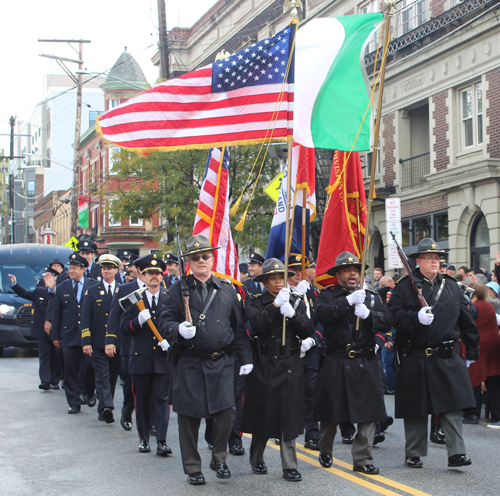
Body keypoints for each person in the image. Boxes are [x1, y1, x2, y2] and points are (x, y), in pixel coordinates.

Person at [159, 235, 253, 485]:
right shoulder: (177, 290)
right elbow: (163, 320)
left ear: (213, 259)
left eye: (205, 256)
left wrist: (246, 358)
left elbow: (239, 327)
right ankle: (193, 468)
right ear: (188, 261)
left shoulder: (227, 289)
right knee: (189, 418)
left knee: (227, 411)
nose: (200, 260)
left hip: (221, 362)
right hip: (190, 361)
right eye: (195, 257)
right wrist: (178, 328)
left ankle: (219, 458)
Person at [387, 238, 480, 469]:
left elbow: (466, 319)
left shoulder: (450, 285)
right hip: (416, 354)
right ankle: (414, 452)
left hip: (447, 354)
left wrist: (472, 350)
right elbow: (391, 318)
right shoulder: (403, 287)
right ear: (418, 261)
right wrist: (414, 318)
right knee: (416, 408)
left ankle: (457, 452)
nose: (436, 262)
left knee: (452, 406)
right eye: (430, 258)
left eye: (438, 258)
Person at [314, 252, 392, 475]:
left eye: (356, 271)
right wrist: (346, 303)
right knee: (331, 411)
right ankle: (325, 448)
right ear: (338, 273)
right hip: (336, 360)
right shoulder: (327, 295)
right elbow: (322, 314)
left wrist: (369, 315)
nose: (353, 274)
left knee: (368, 413)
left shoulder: (373, 297)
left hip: (363, 361)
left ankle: (362, 458)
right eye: (348, 270)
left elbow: (387, 321)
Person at [241, 258, 314, 481]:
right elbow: (255, 325)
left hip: (291, 362)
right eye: (272, 278)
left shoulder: (296, 300)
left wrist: (292, 313)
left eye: (281, 277)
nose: (277, 282)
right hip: (266, 363)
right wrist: (274, 307)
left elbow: (307, 330)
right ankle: (257, 457)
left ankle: (289, 465)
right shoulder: (256, 301)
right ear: (264, 282)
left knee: (289, 416)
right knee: (265, 414)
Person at [121, 255, 172, 456]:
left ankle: (161, 440)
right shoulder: (134, 298)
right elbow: (124, 328)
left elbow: (176, 322)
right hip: (140, 358)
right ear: (142, 275)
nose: (154, 277)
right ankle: (144, 439)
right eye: (150, 273)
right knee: (141, 401)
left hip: (162, 359)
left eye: (158, 273)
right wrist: (137, 322)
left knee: (161, 400)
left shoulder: (169, 297)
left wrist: (172, 338)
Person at [51, 253, 97, 414]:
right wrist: (55, 336)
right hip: (68, 334)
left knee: (90, 366)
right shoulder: (62, 287)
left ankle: (90, 391)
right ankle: (73, 401)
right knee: (70, 369)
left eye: (74, 269)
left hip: (87, 335)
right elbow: (56, 313)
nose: (71, 271)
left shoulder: (92, 286)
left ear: (83, 270)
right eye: (70, 268)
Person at [105, 255, 147, 431]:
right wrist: (110, 340)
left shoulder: (160, 288)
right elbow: (115, 315)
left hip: (151, 344)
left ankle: (150, 420)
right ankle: (127, 411)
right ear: (139, 272)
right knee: (130, 384)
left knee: (152, 385)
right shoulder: (125, 289)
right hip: (130, 344)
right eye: (146, 271)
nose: (151, 275)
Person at [286, 255, 323, 451]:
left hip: (309, 351)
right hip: (288, 352)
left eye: (301, 270)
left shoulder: (313, 294)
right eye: (294, 270)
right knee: (288, 394)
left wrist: (313, 339)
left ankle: (312, 435)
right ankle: (284, 430)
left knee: (311, 394)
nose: (298, 274)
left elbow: (320, 321)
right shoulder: (282, 293)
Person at [80, 254, 122, 423]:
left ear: (116, 270)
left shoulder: (123, 290)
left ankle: (103, 406)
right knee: (102, 375)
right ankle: (106, 406)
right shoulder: (93, 290)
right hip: (98, 342)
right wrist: (86, 341)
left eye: (110, 268)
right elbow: (85, 318)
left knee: (112, 376)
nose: (107, 271)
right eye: (104, 268)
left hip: (117, 342)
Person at [9, 267, 60, 390]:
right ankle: (45, 381)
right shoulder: (39, 292)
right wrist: (15, 284)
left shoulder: (60, 293)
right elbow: (24, 293)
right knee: (44, 355)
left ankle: (54, 381)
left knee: (56, 356)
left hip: (55, 330)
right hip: (41, 330)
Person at [461, 283, 500, 428]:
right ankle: (497, 416)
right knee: (494, 383)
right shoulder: (490, 307)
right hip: (492, 346)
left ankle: (472, 414)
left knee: (474, 382)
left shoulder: (472, 307)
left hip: (476, 347)